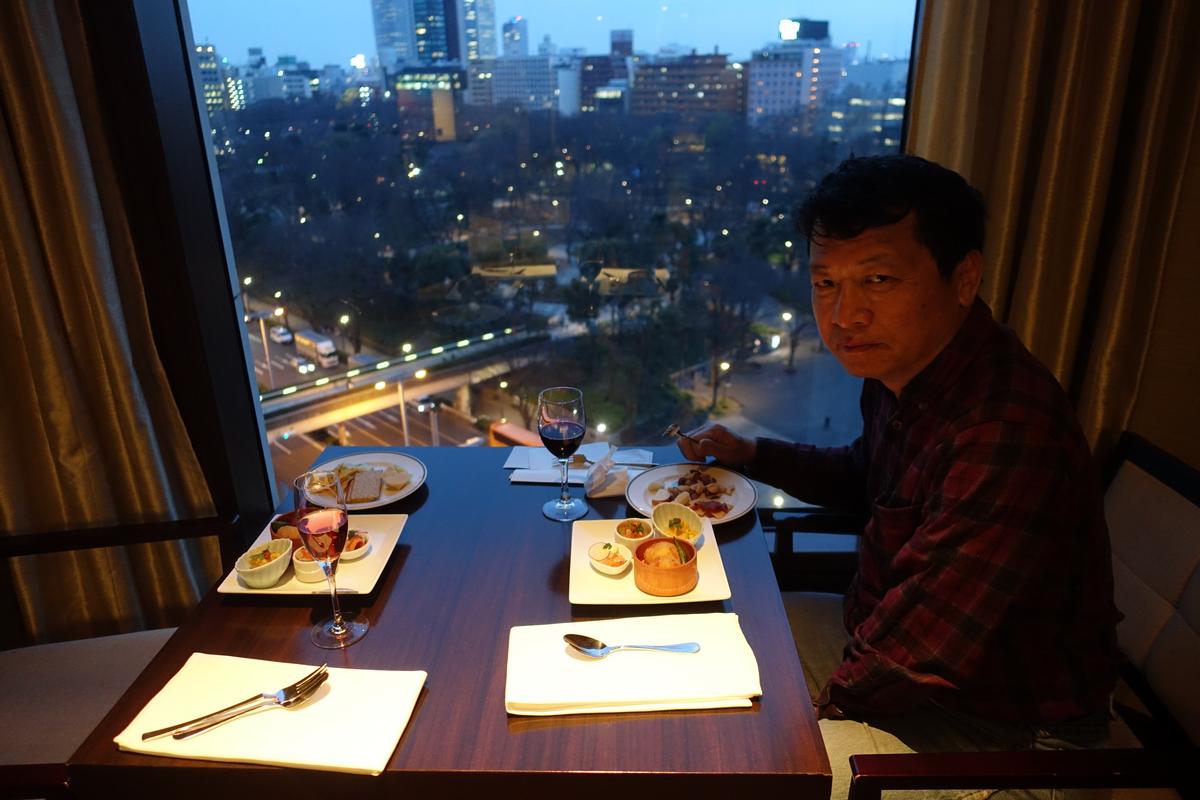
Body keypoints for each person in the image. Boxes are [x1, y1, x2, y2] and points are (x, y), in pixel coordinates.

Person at [678, 154, 1120, 799]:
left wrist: (782, 721)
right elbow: (866, 477)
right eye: (825, 283)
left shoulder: (1005, 432)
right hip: (888, 650)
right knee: (704, 644)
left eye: (878, 279)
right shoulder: (905, 376)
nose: (844, 314)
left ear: (963, 277)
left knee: (729, 762)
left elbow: (912, 656)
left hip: (1014, 743)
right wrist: (754, 454)